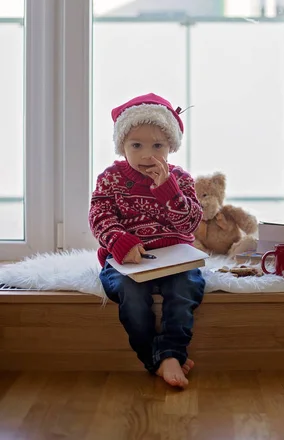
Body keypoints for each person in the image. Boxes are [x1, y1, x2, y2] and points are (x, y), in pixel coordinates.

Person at [89, 93, 205, 388]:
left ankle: (170, 353)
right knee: (132, 296)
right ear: (122, 146)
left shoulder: (180, 179)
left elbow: (190, 222)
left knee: (184, 290)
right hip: (127, 260)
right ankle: (157, 358)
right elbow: (99, 215)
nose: (146, 155)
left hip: (175, 258)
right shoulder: (110, 178)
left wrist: (168, 189)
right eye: (136, 145)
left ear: (171, 147)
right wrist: (119, 242)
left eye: (158, 146)